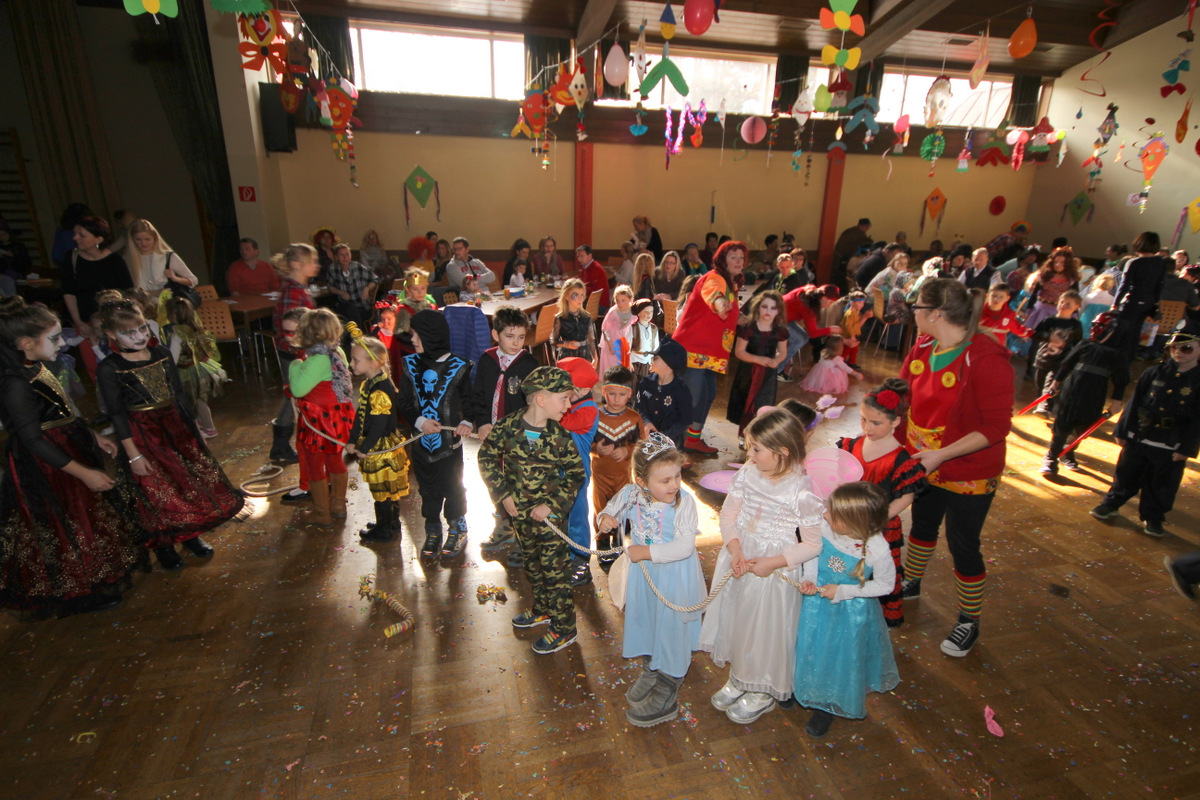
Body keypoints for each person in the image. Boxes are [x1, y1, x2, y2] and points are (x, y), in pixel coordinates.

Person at [0, 297, 139, 617]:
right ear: (26, 343)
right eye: (53, 338)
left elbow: (59, 410)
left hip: (64, 449)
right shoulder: (15, 384)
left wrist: (91, 435)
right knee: (59, 525)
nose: (62, 344)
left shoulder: (36, 366)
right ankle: (73, 592)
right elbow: (33, 440)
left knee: (79, 517)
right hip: (47, 464)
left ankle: (89, 576)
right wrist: (84, 472)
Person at [899, 278, 1013, 658]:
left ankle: (969, 620)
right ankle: (911, 581)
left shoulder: (986, 358)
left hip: (969, 470)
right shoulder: (924, 345)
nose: (913, 312)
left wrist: (942, 455)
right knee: (922, 526)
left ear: (935, 314)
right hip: (924, 461)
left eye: (917, 306)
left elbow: (996, 427)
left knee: (963, 543)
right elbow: (900, 396)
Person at [96, 299, 243, 570]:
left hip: (174, 426)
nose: (139, 337)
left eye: (142, 328)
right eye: (129, 333)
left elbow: (178, 394)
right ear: (111, 335)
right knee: (155, 489)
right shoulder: (110, 367)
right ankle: (163, 544)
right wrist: (133, 455)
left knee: (184, 481)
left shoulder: (161, 353)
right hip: (141, 433)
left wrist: (193, 428)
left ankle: (190, 534)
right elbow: (116, 414)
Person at [699, 409, 824, 723]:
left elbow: (813, 545)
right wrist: (735, 549)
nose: (749, 455)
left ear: (782, 452)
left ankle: (762, 687)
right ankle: (740, 676)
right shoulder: (748, 472)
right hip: (740, 556)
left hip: (773, 569)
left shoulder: (801, 491)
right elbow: (729, 515)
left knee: (763, 629)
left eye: (756, 449)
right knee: (737, 619)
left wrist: (773, 562)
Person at [597, 433, 705, 726]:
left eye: (677, 476)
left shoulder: (684, 503)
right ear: (642, 482)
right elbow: (609, 509)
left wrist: (644, 551)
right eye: (665, 480)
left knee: (671, 630)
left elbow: (684, 548)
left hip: (674, 579)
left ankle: (668, 691)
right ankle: (652, 668)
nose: (674, 485)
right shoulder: (631, 494)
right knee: (647, 621)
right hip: (644, 578)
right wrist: (604, 519)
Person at [478, 366, 586, 655]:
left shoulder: (560, 435)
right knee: (533, 566)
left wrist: (551, 505)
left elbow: (576, 475)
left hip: (551, 519)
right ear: (541, 399)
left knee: (555, 572)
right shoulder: (507, 426)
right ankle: (544, 609)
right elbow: (486, 457)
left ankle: (564, 628)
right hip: (521, 517)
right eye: (563, 398)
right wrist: (502, 494)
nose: (568, 405)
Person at [792, 481, 901, 738]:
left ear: (854, 522)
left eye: (833, 513)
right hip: (815, 604)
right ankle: (799, 685)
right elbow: (813, 553)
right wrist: (809, 578)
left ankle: (827, 702)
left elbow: (885, 585)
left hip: (848, 613)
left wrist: (843, 592)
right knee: (808, 645)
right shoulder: (824, 526)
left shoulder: (876, 548)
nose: (825, 514)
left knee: (836, 655)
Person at [1089, 319, 1200, 538]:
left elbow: (1198, 420)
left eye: (1186, 348)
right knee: (1126, 474)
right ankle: (1111, 504)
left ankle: (1154, 516)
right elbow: (1135, 402)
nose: (1179, 352)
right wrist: (1123, 430)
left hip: (1171, 442)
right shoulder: (1155, 372)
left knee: (1162, 483)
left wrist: (1187, 448)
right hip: (1141, 436)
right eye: (1174, 348)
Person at [836, 382, 927, 627]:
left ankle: (872, 620)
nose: (867, 428)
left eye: (876, 423)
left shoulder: (901, 458)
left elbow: (906, 497)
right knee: (847, 568)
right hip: (848, 523)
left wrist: (875, 520)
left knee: (875, 574)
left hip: (880, 528)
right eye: (863, 420)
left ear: (895, 422)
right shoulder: (852, 445)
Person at [396, 310, 474, 558]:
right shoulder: (410, 365)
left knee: (453, 486)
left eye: (416, 334)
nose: (412, 340)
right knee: (427, 489)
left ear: (431, 335)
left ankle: (457, 526)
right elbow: (403, 401)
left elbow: (469, 401)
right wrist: (419, 421)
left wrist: (466, 421)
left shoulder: (459, 366)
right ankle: (432, 529)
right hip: (421, 445)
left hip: (449, 445)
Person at [473, 306, 538, 554]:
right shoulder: (487, 360)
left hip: (519, 440)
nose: (516, 343)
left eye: (521, 337)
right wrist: (482, 422)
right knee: (495, 479)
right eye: (510, 336)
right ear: (495, 334)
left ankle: (523, 536)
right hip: (492, 436)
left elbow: (535, 404)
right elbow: (479, 394)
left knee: (519, 484)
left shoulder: (529, 364)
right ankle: (502, 524)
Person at [672, 240, 747, 454]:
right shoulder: (714, 278)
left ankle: (692, 439)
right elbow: (714, 295)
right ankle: (675, 445)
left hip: (709, 353)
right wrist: (720, 304)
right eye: (733, 257)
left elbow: (734, 316)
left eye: (741, 258)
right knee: (692, 397)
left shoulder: (730, 284)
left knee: (707, 395)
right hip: (693, 350)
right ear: (722, 259)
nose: (738, 261)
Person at [1040, 311, 1129, 475]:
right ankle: (1051, 456)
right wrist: (1055, 383)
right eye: (1095, 325)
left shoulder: (1118, 354)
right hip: (1071, 390)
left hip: (1094, 394)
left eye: (1100, 326)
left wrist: (1116, 402)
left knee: (1084, 425)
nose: (1095, 328)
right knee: (1062, 424)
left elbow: (1121, 380)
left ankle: (1068, 451)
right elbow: (1066, 365)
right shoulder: (1085, 345)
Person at [288, 309, 354, 528]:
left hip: (318, 421)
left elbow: (298, 389)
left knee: (315, 464)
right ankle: (338, 505)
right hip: (336, 417)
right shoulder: (337, 352)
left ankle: (322, 513)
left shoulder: (317, 359)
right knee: (335, 460)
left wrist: (296, 365)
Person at [346, 333, 410, 543]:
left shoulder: (380, 389)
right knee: (388, 487)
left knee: (382, 488)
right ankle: (391, 522)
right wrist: (353, 439)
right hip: (377, 442)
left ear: (373, 362)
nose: (351, 364)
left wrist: (365, 447)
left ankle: (384, 529)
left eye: (356, 360)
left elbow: (379, 425)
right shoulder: (370, 383)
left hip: (380, 445)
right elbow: (361, 414)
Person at [61, 216, 134, 380]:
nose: (75, 238)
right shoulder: (71, 259)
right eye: (76, 233)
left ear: (98, 239)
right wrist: (78, 321)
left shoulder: (115, 261)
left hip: (113, 323)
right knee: (93, 365)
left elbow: (127, 293)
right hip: (85, 322)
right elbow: (68, 292)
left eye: (82, 235)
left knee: (119, 363)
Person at [269, 243, 319, 464]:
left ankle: (285, 444)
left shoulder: (299, 287)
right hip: (292, 353)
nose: (316, 265)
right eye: (312, 261)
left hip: (300, 351)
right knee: (293, 396)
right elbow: (288, 326)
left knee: (295, 395)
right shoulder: (292, 291)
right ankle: (280, 447)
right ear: (297, 264)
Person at [590, 365, 644, 559]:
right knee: (601, 508)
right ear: (604, 392)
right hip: (600, 475)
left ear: (629, 394)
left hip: (623, 476)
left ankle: (618, 544)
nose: (616, 399)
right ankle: (603, 544)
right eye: (611, 393)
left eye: (622, 394)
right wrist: (596, 449)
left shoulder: (634, 418)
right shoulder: (595, 416)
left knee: (622, 509)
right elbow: (585, 442)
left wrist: (626, 450)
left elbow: (641, 446)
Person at [557, 357, 600, 585]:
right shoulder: (572, 402)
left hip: (576, 474)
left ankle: (581, 563)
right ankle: (566, 555)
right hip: (558, 471)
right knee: (560, 516)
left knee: (577, 518)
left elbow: (564, 422)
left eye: (566, 390)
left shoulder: (589, 409)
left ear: (582, 390)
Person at [726, 291, 788, 440]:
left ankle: (758, 436)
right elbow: (739, 352)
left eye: (773, 308)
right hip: (748, 372)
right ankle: (744, 435)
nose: (768, 311)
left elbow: (782, 352)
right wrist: (757, 359)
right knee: (746, 402)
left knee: (764, 403)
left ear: (778, 311)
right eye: (764, 306)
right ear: (758, 307)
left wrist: (776, 361)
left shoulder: (780, 331)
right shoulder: (748, 328)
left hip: (767, 374)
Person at [165, 297, 226, 439]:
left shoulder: (177, 334)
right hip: (201, 368)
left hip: (189, 371)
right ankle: (202, 422)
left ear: (172, 315)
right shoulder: (196, 327)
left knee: (197, 400)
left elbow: (173, 358)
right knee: (200, 399)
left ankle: (210, 428)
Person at [1027, 291, 1084, 413]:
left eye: (1068, 304)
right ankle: (1041, 405)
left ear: (1076, 307)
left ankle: (1046, 407)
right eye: (1062, 302)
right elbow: (1036, 335)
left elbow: (1077, 343)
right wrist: (1048, 336)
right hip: (1044, 358)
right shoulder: (1049, 321)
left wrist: (1073, 359)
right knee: (1040, 384)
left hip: (1060, 361)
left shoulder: (1075, 325)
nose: (1063, 305)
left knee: (1052, 384)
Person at [636, 337, 692, 450]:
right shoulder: (646, 383)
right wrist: (646, 422)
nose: (652, 359)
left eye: (656, 358)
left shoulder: (681, 390)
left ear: (668, 365)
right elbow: (640, 408)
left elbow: (685, 421)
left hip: (671, 444)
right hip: (646, 439)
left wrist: (663, 436)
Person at [779, 284, 842, 382]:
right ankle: (777, 369)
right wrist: (830, 329)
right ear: (823, 298)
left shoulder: (810, 291)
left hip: (784, 316)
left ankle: (781, 358)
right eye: (830, 302)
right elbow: (813, 334)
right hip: (776, 319)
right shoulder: (809, 307)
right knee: (798, 340)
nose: (829, 306)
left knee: (804, 337)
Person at [123, 219, 200, 295]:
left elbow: (193, 280)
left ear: (155, 238)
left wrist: (175, 278)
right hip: (141, 301)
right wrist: (154, 293)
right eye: (138, 239)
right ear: (132, 240)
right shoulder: (127, 259)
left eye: (147, 239)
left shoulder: (167, 256)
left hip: (165, 301)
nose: (143, 243)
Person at [1019, 247, 1082, 331]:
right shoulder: (1044, 275)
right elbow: (1034, 294)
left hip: (1059, 312)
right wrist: (1028, 311)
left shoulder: (1072, 279)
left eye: (1062, 262)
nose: (1058, 265)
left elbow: (1074, 298)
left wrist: (1074, 314)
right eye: (1056, 262)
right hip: (1040, 309)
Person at [326, 243, 377, 332]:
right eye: (342, 255)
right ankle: (354, 336)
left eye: (347, 254)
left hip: (361, 305)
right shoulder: (333, 269)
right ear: (336, 257)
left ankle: (355, 335)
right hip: (344, 304)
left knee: (350, 313)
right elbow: (330, 286)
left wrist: (367, 288)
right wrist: (340, 292)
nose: (345, 257)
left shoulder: (357, 267)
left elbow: (375, 279)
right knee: (343, 311)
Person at [551, 279, 595, 362]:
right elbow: (553, 341)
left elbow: (591, 340)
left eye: (582, 295)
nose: (580, 299)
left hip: (584, 356)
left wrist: (595, 357)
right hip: (567, 357)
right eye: (575, 295)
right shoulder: (561, 318)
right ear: (566, 296)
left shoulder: (586, 317)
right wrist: (566, 344)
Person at [599, 285, 636, 374]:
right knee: (612, 363)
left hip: (625, 338)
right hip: (612, 338)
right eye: (618, 301)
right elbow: (605, 329)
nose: (620, 304)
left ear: (630, 299)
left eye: (623, 300)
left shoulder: (634, 310)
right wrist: (610, 345)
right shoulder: (613, 312)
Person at [833, 218, 873, 291]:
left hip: (837, 258)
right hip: (844, 261)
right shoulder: (860, 235)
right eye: (867, 228)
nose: (866, 230)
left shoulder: (849, 231)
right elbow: (856, 249)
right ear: (865, 226)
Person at [629, 298, 659, 383]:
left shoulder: (654, 328)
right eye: (646, 311)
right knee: (633, 383)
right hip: (634, 360)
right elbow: (626, 346)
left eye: (651, 311)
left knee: (644, 383)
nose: (649, 314)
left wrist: (653, 361)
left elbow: (655, 347)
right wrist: (628, 362)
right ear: (639, 313)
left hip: (647, 361)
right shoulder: (633, 328)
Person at [839, 291, 871, 369]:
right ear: (852, 303)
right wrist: (852, 336)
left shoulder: (855, 312)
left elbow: (855, 325)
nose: (862, 305)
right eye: (860, 303)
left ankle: (852, 362)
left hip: (853, 335)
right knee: (847, 350)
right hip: (849, 336)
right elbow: (848, 326)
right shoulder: (850, 313)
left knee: (854, 350)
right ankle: (841, 362)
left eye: (863, 303)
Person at [575, 245, 611, 312]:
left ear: (590, 256)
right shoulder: (586, 267)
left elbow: (595, 291)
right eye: (578, 256)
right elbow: (580, 278)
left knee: (571, 305)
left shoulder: (596, 269)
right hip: (591, 301)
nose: (579, 259)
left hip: (599, 305)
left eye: (582, 256)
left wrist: (579, 288)